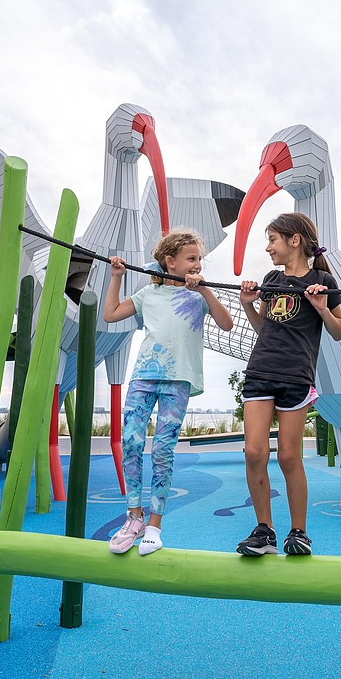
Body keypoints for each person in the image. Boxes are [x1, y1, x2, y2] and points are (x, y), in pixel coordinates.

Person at [103, 229, 233, 555]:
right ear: (170, 261)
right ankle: (133, 516)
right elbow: (110, 314)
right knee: (130, 440)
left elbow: (227, 323)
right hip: (144, 376)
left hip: (178, 381)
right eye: (191, 259)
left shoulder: (197, 296)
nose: (197, 264)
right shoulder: (149, 293)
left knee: (163, 450)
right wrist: (117, 276)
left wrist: (205, 291)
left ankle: (154, 525)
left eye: (199, 259)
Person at [236, 212, 341, 556]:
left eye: (273, 240)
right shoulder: (271, 278)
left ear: (294, 240)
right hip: (260, 370)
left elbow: (340, 332)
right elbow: (264, 328)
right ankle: (264, 531)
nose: (268, 247)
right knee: (254, 451)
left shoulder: (322, 279)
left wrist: (320, 307)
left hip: (296, 375)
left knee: (288, 456)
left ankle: (298, 532)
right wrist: (247, 306)